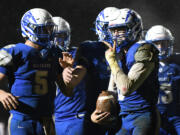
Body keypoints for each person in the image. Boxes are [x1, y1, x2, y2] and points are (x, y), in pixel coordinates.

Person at [0, 8, 73, 135]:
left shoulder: (54, 52)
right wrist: (1, 94)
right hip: (22, 119)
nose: (48, 33)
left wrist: (67, 70)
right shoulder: (15, 51)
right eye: (43, 29)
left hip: (46, 121)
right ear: (29, 29)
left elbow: (67, 91)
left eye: (50, 29)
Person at [91, 8, 160, 135]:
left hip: (142, 116)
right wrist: (97, 113)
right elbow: (113, 90)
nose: (116, 34)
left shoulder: (144, 50)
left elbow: (125, 89)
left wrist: (112, 62)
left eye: (121, 29)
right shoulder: (119, 53)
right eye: (113, 30)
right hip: (123, 116)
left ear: (134, 28)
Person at [52, 16, 87, 135]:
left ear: (68, 36)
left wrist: (68, 69)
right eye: (54, 36)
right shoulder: (44, 57)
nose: (57, 41)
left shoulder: (76, 53)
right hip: (54, 117)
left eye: (61, 36)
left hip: (75, 116)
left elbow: (76, 76)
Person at [145, 25, 180, 135]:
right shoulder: (141, 64)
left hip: (176, 116)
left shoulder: (177, 62)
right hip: (153, 117)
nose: (160, 48)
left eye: (163, 43)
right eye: (156, 43)